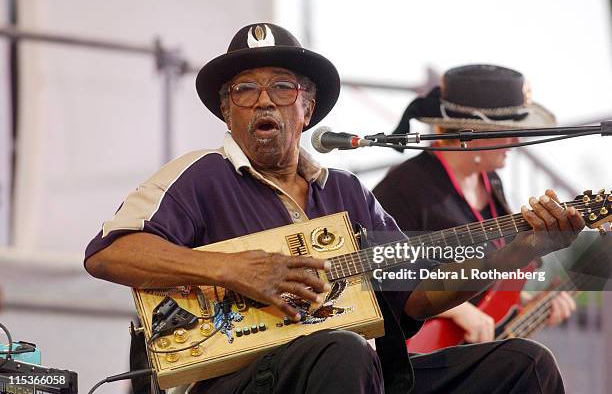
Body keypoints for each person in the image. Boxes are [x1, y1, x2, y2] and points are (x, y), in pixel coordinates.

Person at [84, 25, 584, 394]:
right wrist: (232, 268)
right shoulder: (197, 176)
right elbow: (110, 254)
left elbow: (417, 298)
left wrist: (521, 249)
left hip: (355, 373)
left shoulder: (346, 192)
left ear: (308, 107)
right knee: (341, 346)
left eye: (283, 88)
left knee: (525, 365)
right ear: (226, 110)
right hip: (232, 381)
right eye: (244, 90)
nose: (264, 102)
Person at [374, 64, 576, 345]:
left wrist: (530, 304)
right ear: (470, 132)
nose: (516, 140)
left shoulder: (490, 181)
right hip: (416, 355)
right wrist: (457, 309)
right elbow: (376, 274)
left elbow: (488, 278)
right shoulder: (404, 185)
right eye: (507, 130)